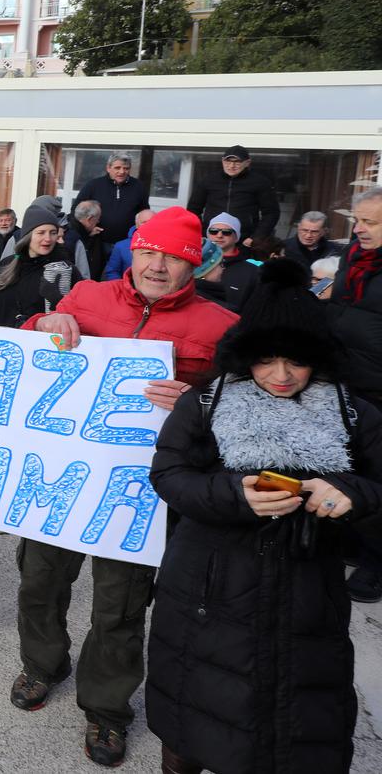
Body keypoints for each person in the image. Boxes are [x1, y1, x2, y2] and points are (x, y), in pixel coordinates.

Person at [13, 206, 238, 767]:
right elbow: (22, 354)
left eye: (175, 257)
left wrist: (198, 405)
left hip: (141, 494)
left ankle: (107, 708)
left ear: (197, 265)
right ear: (133, 251)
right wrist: (40, 325)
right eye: (149, 251)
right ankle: (43, 664)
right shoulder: (86, 296)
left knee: (120, 605)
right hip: (60, 478)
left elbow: (242, 408)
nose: (157, 266)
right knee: (39, 580)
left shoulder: (223, 327)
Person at [147, 258, 382, 774]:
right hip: (208, 591)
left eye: (296, 361)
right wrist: (235, 495)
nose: (281, 375)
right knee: (196, 713)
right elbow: (168, 475)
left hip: (308, 595)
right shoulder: (207, 403)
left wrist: (353, 495)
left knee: (297, 723)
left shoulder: (354, 413)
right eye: (267, 359)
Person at [330, 186, 382, 602]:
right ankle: (352, 535)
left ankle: (377, 562)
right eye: (357, 220)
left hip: (380, 385)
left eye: (370, 222)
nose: (359, 229)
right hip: (347, 380)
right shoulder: (355, 257)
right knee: (353, 466)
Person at [0, 204, 78, 328]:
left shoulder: (66, 270)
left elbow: (79, 312)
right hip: (5, 341)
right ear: (28, 235)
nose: (48, 238)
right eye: (41, 233)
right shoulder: (6, 265)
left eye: (53, 233)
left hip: (45, 344)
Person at [186, 144, 280, 249]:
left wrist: (256, 237)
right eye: (228, 161)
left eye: (237, 162)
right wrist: (202, 233)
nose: (231, 166)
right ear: (222, 161)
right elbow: (193, 210)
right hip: (212, 238)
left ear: (247, 163)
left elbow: (271, 213)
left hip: (244, 241)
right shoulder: (208, 180)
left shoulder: (260, 183)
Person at [74, 153, 151, 244]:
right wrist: (86, 230)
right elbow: (76, 211)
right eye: (117, 168)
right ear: (108, 168)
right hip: (98, 241)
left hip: (127, 243)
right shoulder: (93, 185)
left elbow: (144, 213)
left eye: (126, 168)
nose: (122, 172)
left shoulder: (139, 187)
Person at [205, 212, 261, 313]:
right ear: (208, 234)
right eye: (214, 231)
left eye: (226, 232)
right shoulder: (193, 264)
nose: (219, 235)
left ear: (236, 237)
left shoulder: (253, 272)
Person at [100, 208, 155, 282]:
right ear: (137, 225)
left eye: (152, 222)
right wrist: (122, 288)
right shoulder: (121, 246)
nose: (148, 225)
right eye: (144, 222)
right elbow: (112, 272)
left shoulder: (166, 245)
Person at [67, 200, 106, 282]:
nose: (98, 222)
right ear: (89, 219)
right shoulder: (75, 239)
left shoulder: (72, 230)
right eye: (97, 219)